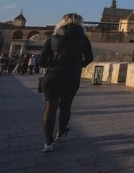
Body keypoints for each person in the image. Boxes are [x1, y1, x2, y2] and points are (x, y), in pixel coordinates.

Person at [39, 13, 94, 153]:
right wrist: (78, 65)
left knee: (50, 108)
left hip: (52, 76)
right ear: (80, 24)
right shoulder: (83, 39)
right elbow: (89, 58)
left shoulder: (53, 38)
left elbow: (41, 61)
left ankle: (48, 142)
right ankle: (61, 132)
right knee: (66, 106)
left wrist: (53, 64)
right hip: (71, 75)